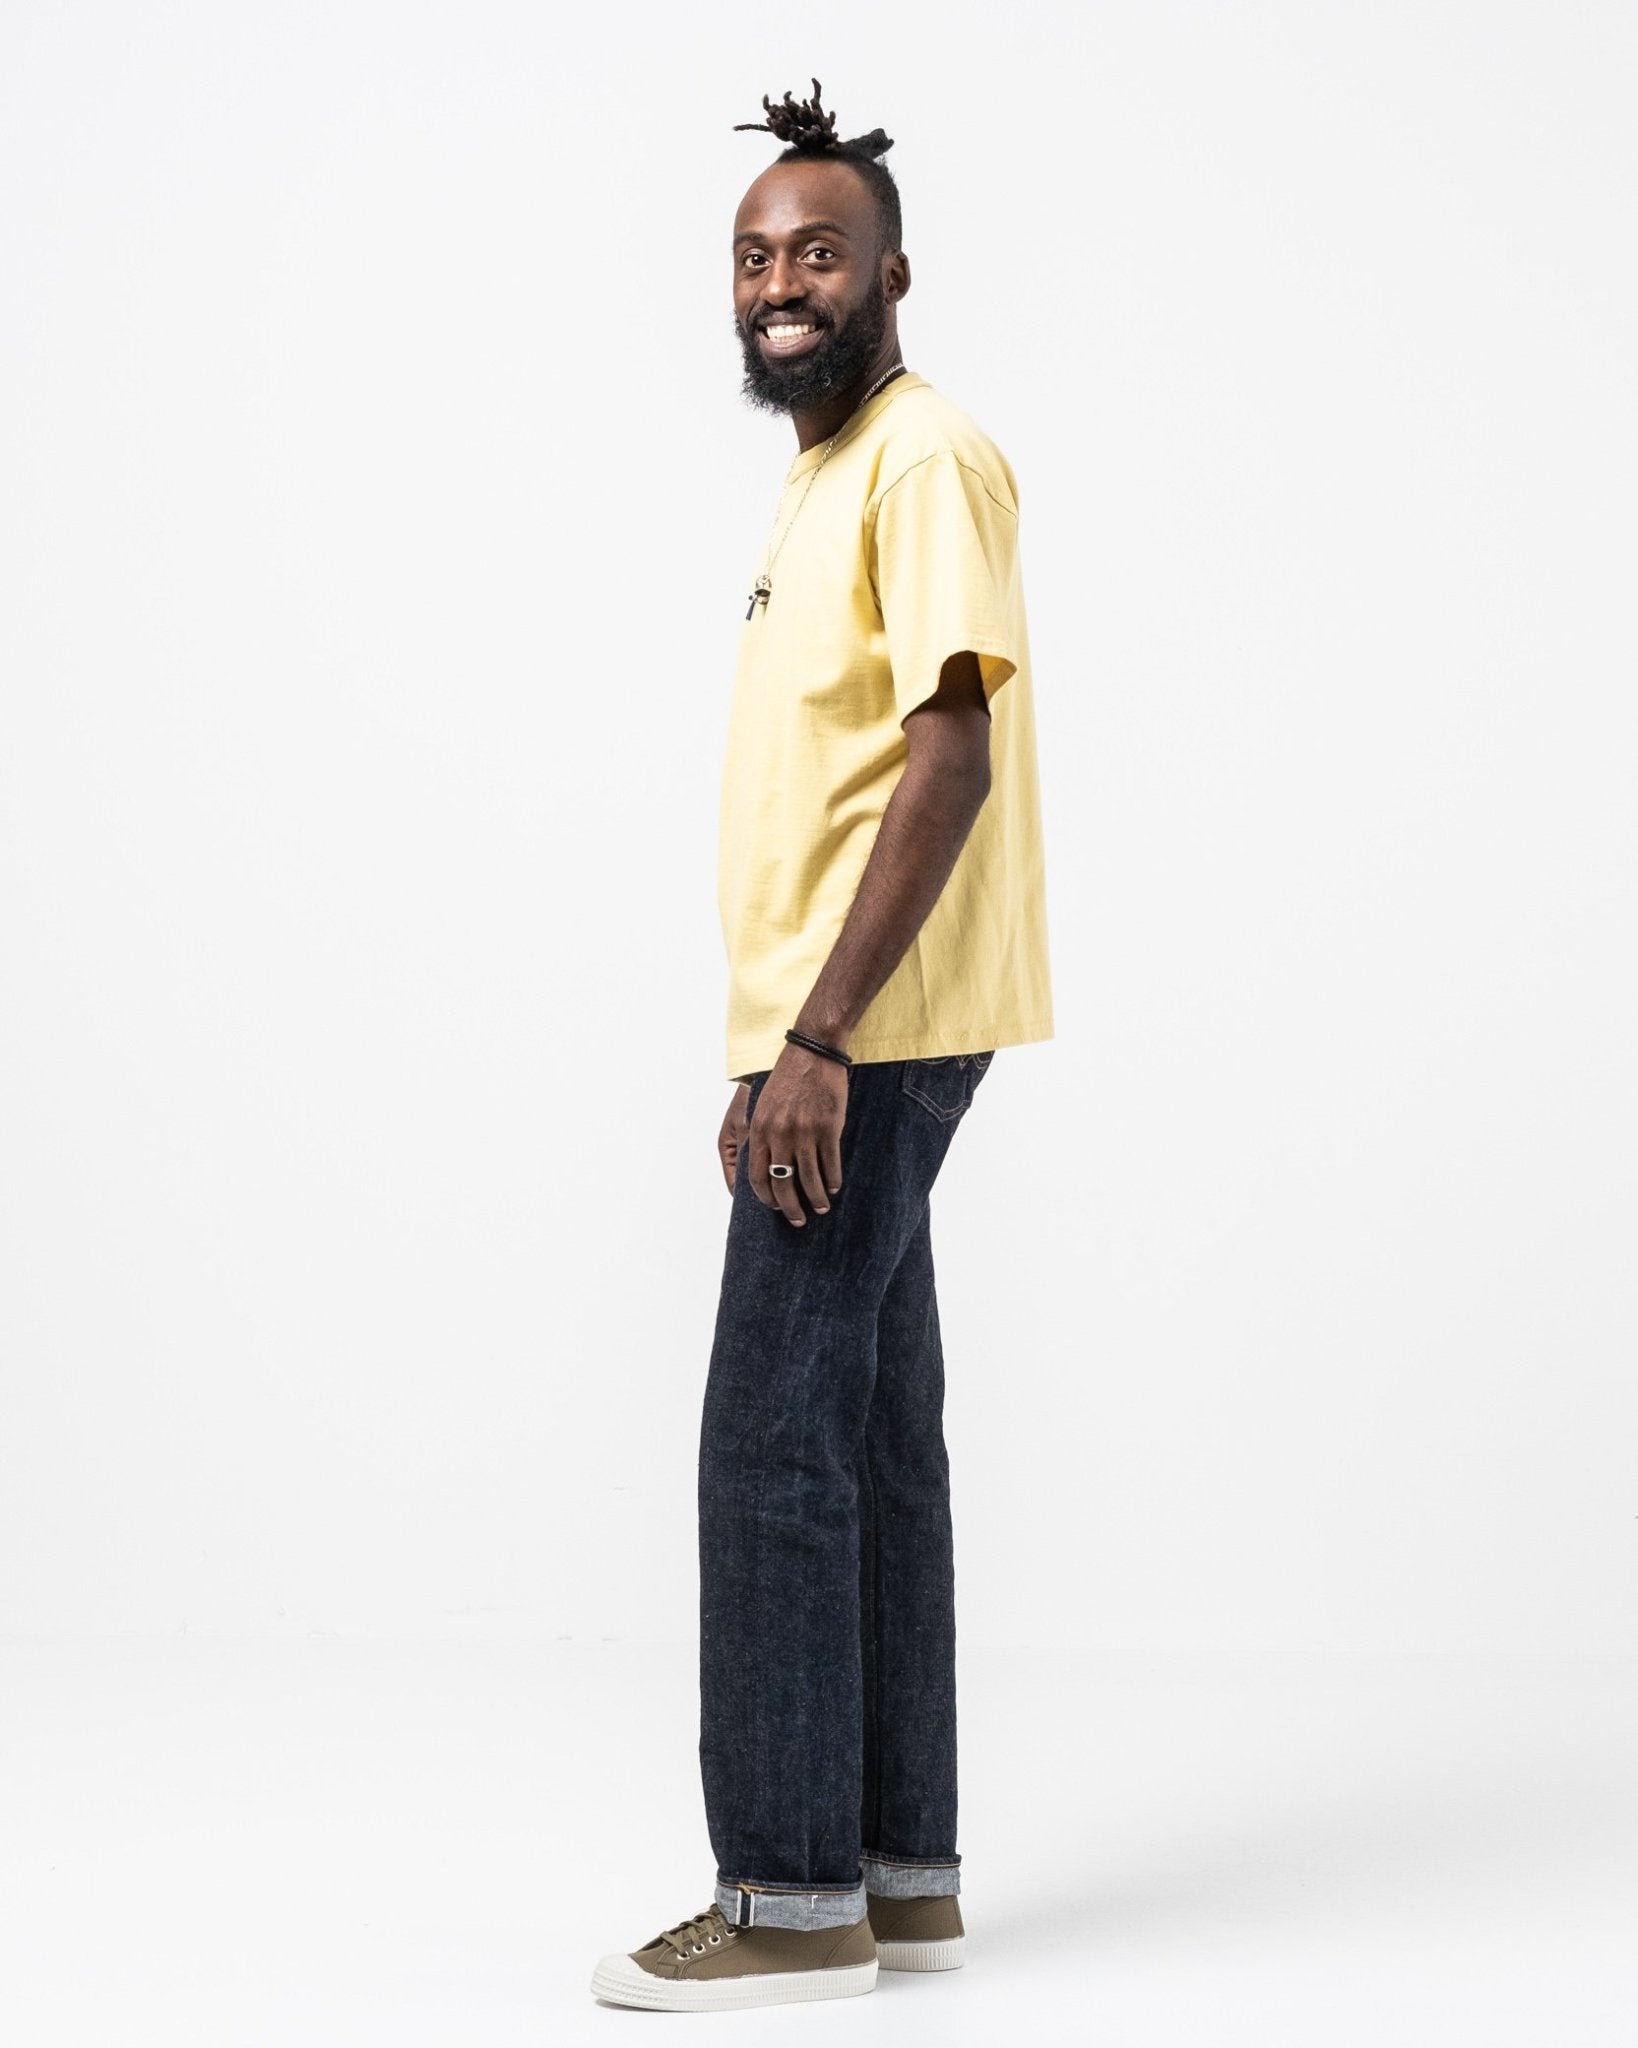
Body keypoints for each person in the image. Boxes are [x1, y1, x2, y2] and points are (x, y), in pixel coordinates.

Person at [590, 79, 1054, 2013]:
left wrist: (818, 1037)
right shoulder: (828, 472)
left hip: (867, 1030)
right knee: (865, 1435)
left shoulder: (922, 458)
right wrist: (783, 1034)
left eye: (819, 253)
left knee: (768, 1442)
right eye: (754, 257)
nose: (780, 283)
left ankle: (788, 1900)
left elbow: (948, 754)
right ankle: (895, 1868)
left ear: (893, 275)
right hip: (843, 1029)